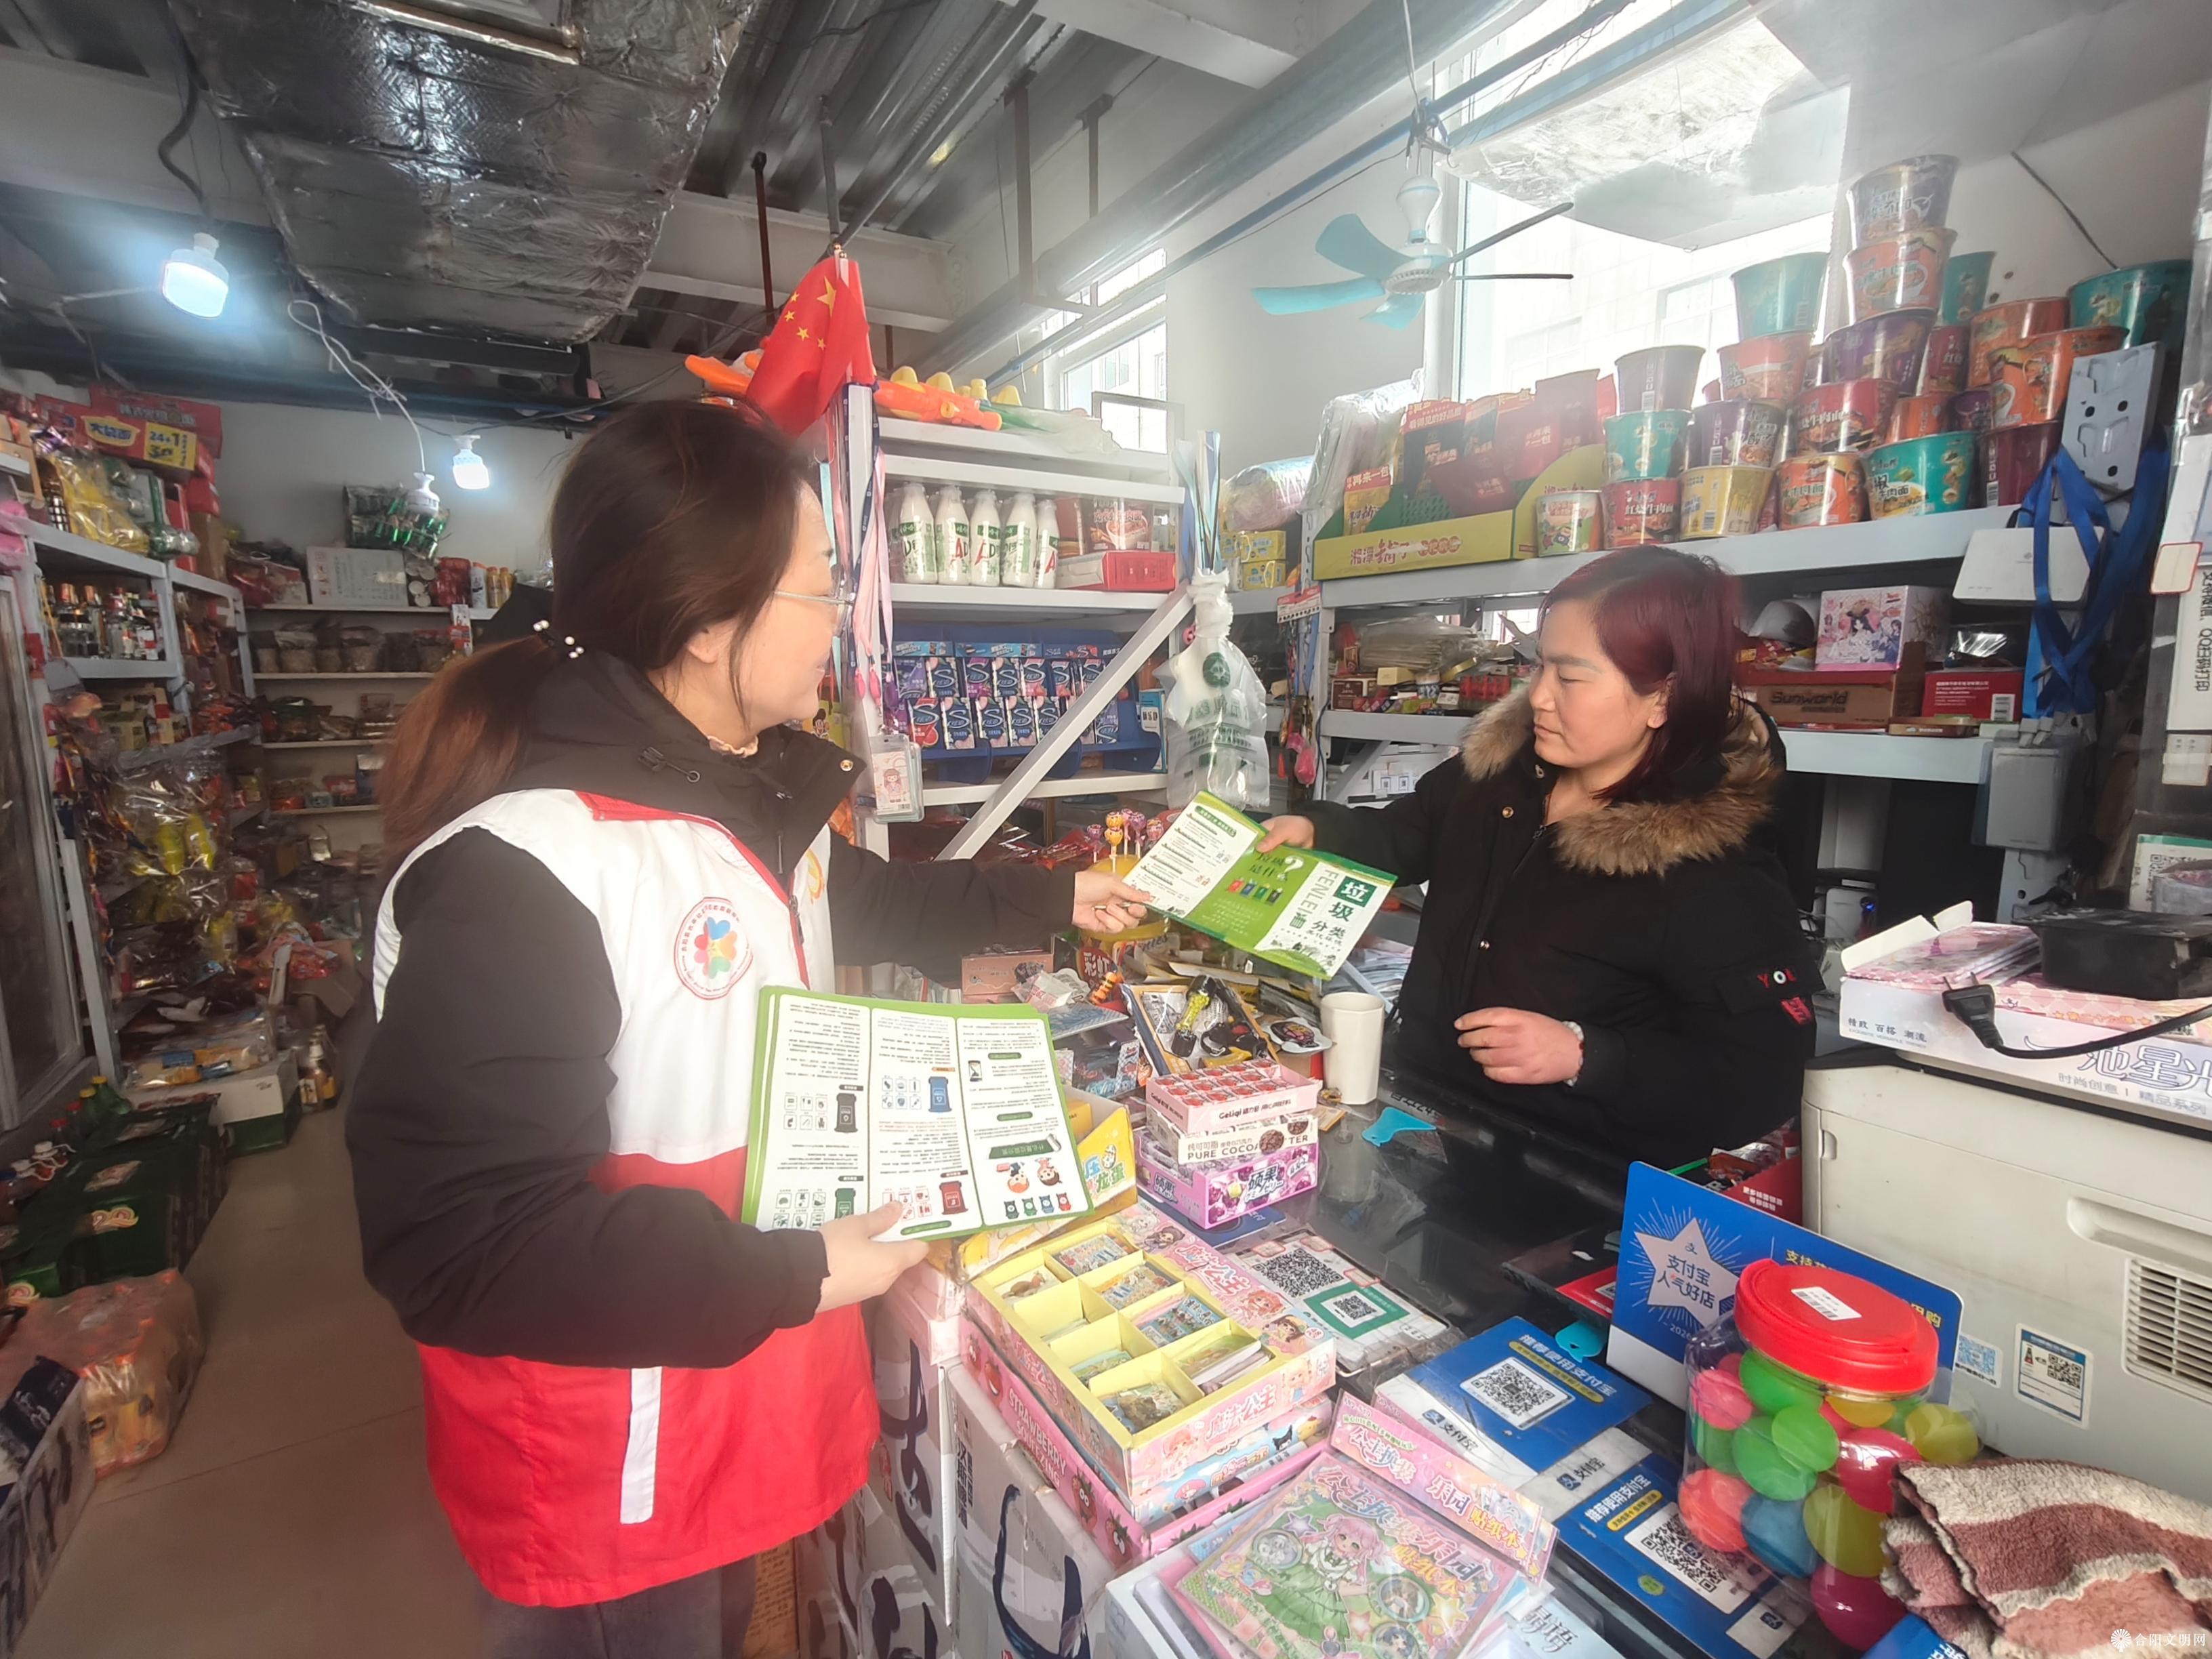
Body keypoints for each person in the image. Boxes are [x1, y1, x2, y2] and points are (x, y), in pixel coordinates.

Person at [347, 400, 1149, 1657]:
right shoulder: (531, 865)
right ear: (709, 619)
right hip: (608, 1457)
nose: (840, 622)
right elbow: (459, 1242)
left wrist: (1057, 899)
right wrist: (802, 1272)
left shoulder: (746, 793)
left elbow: (860, 898)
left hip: (722, 1393)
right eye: (821, 586)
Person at [1261, 546, 1816, 1166]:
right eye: (1540, 667)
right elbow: (1404, 836)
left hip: (1571, 1177)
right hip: (1427, 1121)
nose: (1540, 698)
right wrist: (1319, 831)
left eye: (1571, 678)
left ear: (1664, 698)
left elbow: (1763, 1077)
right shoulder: (1500, 775)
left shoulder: (1716, 866)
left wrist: (1586, 1054)